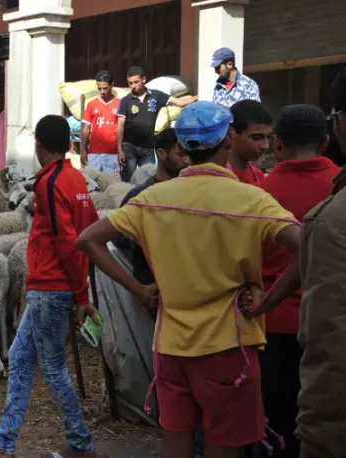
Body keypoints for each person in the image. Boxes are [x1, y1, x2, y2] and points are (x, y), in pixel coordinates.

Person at [78, 101, 301, 458]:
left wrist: (140, 289)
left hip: (171, 346)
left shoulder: (152, 199)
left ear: (182, 146)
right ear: (228, 140)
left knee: (176, 444)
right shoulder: (252, 199)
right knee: (222, 447)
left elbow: (88, 239)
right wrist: (268, 300)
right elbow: (308, 245)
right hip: (228, 345)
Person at [0, 115, 98, 458]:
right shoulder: (76, 179)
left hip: (51, 287)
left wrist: (81, 294)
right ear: (69, 144)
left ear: (39, 146)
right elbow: (90, 228)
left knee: (53, 369)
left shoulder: (50, 183)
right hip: (53, 286)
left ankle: (81, 444)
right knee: (19, 355)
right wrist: (82, 287)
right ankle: (3, 444)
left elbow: (66, 241)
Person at [245, 69, 346, 458]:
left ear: (278, 143)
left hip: (274, 331)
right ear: (326, 140)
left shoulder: (258, 196)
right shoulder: (337, 189)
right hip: (332, 332)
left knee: (278, 428)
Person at [115, 128, 189, 286]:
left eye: (189, 155)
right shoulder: (139, 195)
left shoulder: (193, 193)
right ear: (161, 154)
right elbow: (116, 236)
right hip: (152, 285)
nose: (187, 161)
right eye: (180, 154)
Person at [117, 66, 197, 182]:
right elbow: (120, 126)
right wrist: (120, 149)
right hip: (129, 147)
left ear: (144, 79)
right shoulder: (125, 101)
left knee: (149, 178)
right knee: (128, 179)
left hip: (148, 146)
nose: (133, 86)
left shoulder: (156, 96)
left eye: (136, 82)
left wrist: (199, 96)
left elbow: (179, 102)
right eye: (130, 83)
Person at [81, 70, 122, 178]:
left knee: (113, 183)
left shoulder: (120, 104)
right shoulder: (91, 104)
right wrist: (83, 149)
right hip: (94, 153)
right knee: (91, 182)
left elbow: (122, 128)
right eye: (99, 88)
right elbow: (86, 129)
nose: (102, 91)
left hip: (113, 154)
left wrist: (121, 150)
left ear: (112, 85)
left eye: (105, 88)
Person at [229, 100, 271, 184]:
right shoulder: (216, 175)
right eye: (257, 138)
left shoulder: (259, 175)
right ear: (232, 134)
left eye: (269, 137)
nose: (266, 146)